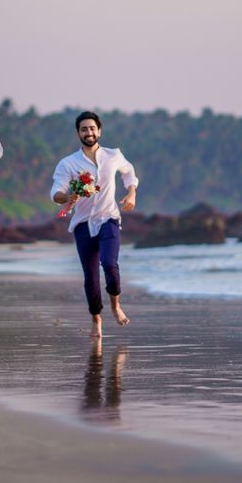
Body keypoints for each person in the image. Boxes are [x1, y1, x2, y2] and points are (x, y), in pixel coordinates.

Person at [52, 111, 138, 338]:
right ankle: (96, 318)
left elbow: (128, 171)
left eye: (92, 128)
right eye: (83, 129)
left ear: (99, 131)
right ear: (78, 133)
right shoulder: (68, 163)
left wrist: (131, 192)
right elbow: (56, 191)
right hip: (82, 224)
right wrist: (66, 197)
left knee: (110, 264)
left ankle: (115, 306)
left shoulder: (113, 155)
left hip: (109, 218)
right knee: (90, 277)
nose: (88, 132)